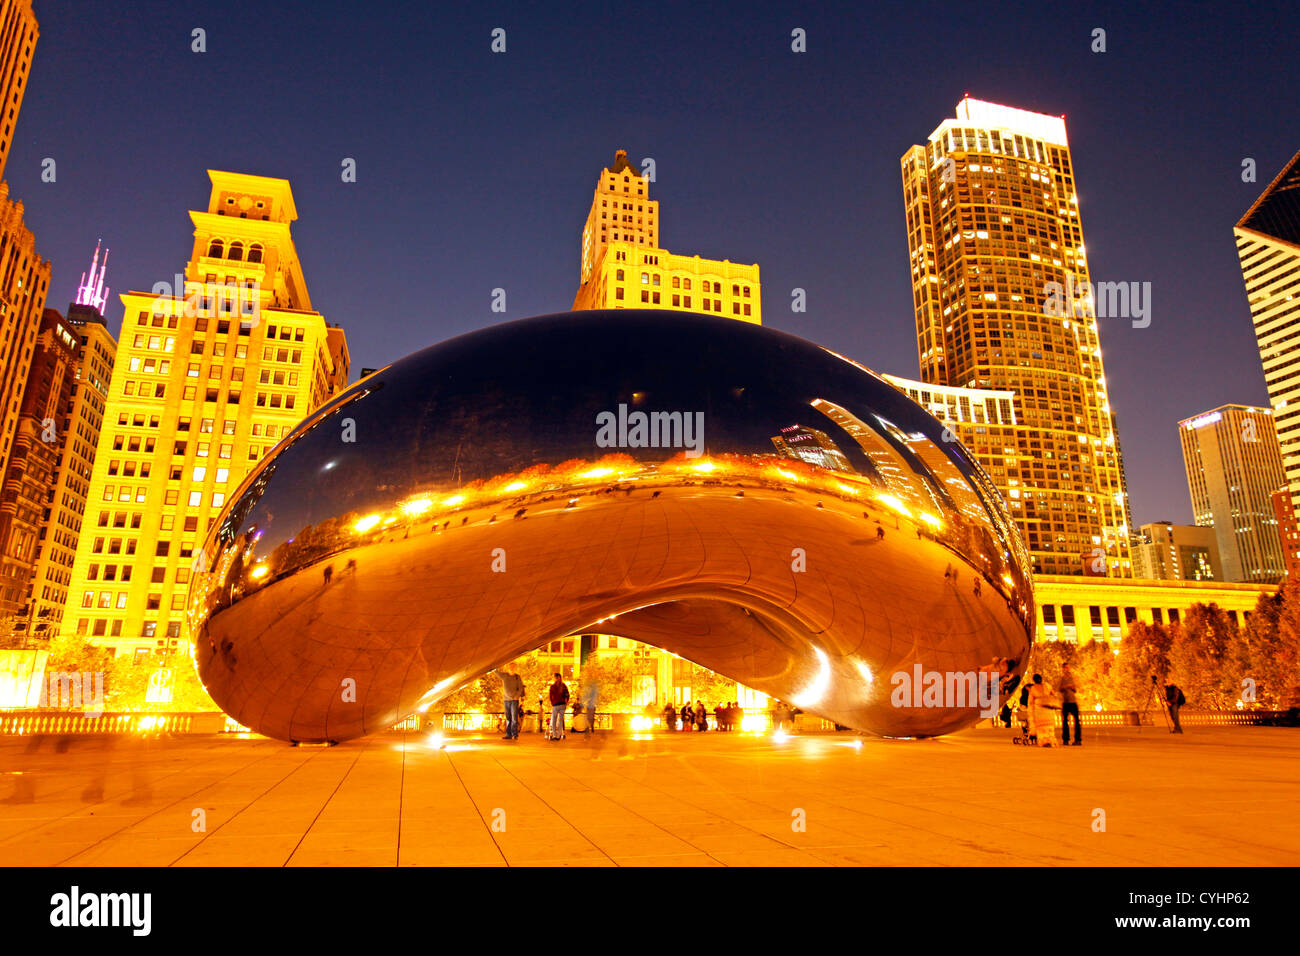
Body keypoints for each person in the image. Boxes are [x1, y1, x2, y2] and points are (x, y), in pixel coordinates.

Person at [1026, 673, 1058, 747]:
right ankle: (1051, 740)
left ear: (1034, 680)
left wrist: (1030, 713)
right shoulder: (1047, 686)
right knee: (1049, 727)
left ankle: (1044, 741)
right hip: (1048, 709)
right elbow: (1053, 694)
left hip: (1039, 710)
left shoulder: (1033, 688)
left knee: (1041, 728)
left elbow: (1030, 702)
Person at [498, 664, 524, 740]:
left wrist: (517, 696)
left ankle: (515, 734)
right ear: (508, 668)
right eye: (510, 667)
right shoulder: (504, 676)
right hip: (506, 700)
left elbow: (520, 688)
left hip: (514, 700)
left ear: (515, 668)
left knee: (514, 718)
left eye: (513, 667)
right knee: (508, 717)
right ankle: (508, 734)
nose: (512, 668)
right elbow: (495, 672)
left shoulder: (517, 677)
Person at [1059, 667, 1081, 746]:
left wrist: (1072, 687)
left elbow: (1075, 690)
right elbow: (1060, 689)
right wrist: (1066, 687)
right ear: (1063, 670)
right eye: (1065, 668)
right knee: (1065, 721)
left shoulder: (1073, 678)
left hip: (1073, 702)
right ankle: (1066, 739)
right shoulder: (1062, 679)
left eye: (1068, 668)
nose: (1067, 670)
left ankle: (1078, 739)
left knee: (1077, 721)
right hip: (1065, 702)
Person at [548, 672, 570, 740]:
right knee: (560, 720)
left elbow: (550, 696)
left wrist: (552, 702)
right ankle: (558, 735)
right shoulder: (563, 686)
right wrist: (566, 702)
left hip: (555, 704)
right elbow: (567, 695)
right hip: (562, 704)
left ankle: (554, 734)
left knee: (554, 720)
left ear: (555, 678)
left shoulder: (553, 686)